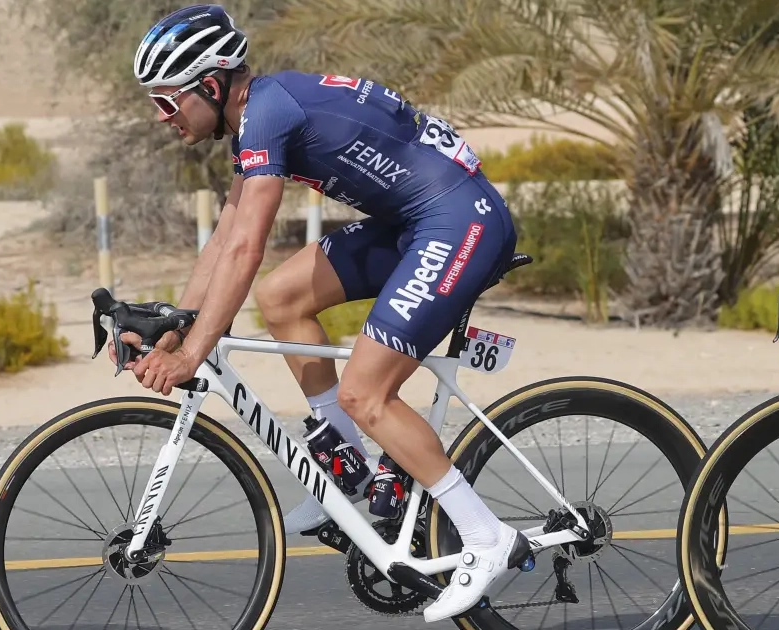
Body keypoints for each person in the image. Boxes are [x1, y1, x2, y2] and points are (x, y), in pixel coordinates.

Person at [119, 4, 525, 622]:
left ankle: (486, 536)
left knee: (367, 393)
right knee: (281, 298)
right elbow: (226, 237)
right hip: (415, 222)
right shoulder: (257, 115)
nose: (160, 116)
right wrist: (177, 329)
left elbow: (247, 248)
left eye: (167, 101)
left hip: (459, 222)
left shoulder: (268, 114)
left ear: (210, 86)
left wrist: (195, 351)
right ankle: (351, 474)